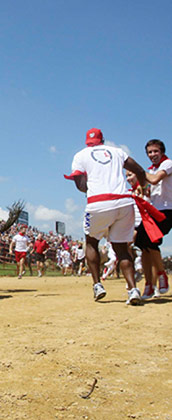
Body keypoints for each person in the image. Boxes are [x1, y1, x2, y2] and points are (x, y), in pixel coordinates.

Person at [65, 128, 147, 305]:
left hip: (98, 202)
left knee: (92, 241)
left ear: (87, 141)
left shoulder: (80, 155)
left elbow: (80, 185)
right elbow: (139, 171)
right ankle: (133, 290)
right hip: (124, 201)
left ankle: (97, 284)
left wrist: (93, 186)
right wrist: (144, 187)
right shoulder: (117, 152)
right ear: (103, 140)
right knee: (122, 249)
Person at [134, 139, 172, 298]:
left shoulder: (168, 164)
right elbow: (147, 189)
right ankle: (149, 284)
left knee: (151, 241)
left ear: (162, 152)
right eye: (149, 152)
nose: (152, 155)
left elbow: (155, 179)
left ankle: (162, 274)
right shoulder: (151, 169)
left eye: (155, 151)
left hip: (167, 210)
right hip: (153, 211)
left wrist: (138, 171)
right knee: (142, 244)